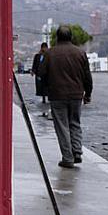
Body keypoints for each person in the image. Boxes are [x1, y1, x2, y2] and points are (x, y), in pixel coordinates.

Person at [40, 25, 93, 169]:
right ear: (71, 37)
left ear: (57, 37)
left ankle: (67, 157)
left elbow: (41, 73)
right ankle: (77, 151)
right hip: (76, 95)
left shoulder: (50, 54)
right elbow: (87, 76)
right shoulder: (80, 53)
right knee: (75, 122)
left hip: (57, 95)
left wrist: (47, 88)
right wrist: (87, 94)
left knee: (62, 126)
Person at [30, 41, 50, 118]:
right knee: (40, 87)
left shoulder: (48, 55)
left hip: (47, 75)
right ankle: (43, 98)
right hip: (39, 74)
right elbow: (35, 64)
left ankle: (48, 97)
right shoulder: (37, 56)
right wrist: (33, 71)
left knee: (47, 87)